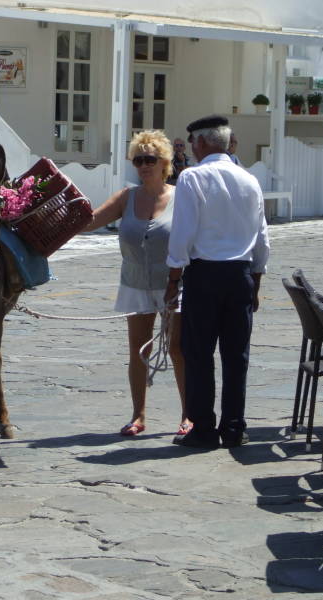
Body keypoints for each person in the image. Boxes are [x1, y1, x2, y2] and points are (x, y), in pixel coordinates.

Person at [165, 115, 270, 449]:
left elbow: (183, 232)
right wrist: (256, 279)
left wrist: (173, 277)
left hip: (205, 273)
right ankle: (235, 426)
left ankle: (204, 428)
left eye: (194, 142)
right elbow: (262, 235)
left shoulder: (192, 177)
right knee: (236, 355)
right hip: (239, 274)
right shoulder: (249, 179)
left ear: (202, 143)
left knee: (198, 353)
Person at [83, 129, 189, 437]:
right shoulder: (127, 197)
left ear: (164, 162)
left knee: (178, 349)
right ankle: (138, 415)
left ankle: (188, 415)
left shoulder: (180, 197)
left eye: (150, 159)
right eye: (138, 159)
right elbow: (89, 221)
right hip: (135, 282)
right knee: (138, 350)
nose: (143, 165)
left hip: (174, 283)